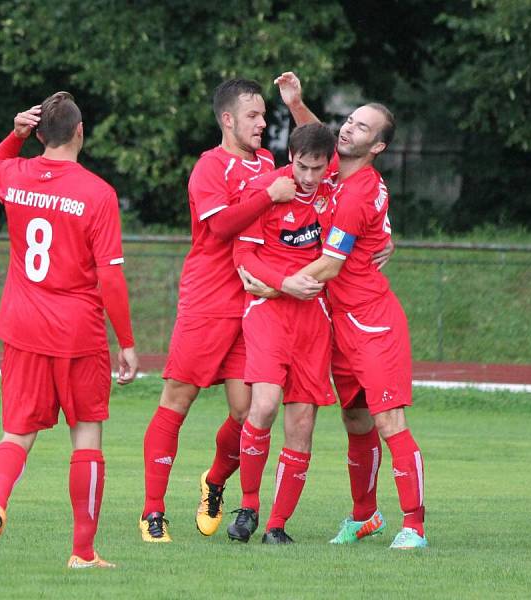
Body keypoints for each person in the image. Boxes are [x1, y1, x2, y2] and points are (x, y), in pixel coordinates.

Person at [0, 92, 139, 570]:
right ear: (80, 132)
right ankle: (83, 552)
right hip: (78, 332)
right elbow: (111, 279)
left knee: (16, 434)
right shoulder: (97, 193)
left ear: (39, 134)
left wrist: (14, 136)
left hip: (22, 327)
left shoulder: (14, 176)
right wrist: (128, 343)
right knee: (86, 438)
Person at [140, 78, 306, 542]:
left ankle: (214, 480)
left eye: (263, 115)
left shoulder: (270, 163)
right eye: (253, 116)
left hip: (253, 305)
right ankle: (153, 511)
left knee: (246, 412)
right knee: (178, 400)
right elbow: (219, 230)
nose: (262, 123)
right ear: (228, 119)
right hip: (208, 300)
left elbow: (320, 166)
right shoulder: (209, 168)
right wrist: (267, 196)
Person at [267, 73, 428, 549]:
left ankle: (414, 525)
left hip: (372, 321)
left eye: (361, 128)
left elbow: (332, 265)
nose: (348, 129)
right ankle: (365, 516)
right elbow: (318, 144)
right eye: (351, 121)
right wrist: (296, 104)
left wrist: (275, 286)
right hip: (340, 323)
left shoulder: (356, 193)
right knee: (356, 422)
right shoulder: (341, 171)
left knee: (388, 423)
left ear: (376, 147)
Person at [226, 122, 338, 544]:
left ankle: (277, 525)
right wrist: (282, 282)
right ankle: (249, 506)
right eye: (301, 167)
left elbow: (344, 251)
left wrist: (385, 240)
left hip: (313, 317)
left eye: (317, 168)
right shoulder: (268, 189)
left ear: (329, 164)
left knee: (303, 422)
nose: (308, 178)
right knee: (266, 403)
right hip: (268, 310)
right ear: (290, 156)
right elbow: (243, 254)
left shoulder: (334, 193)